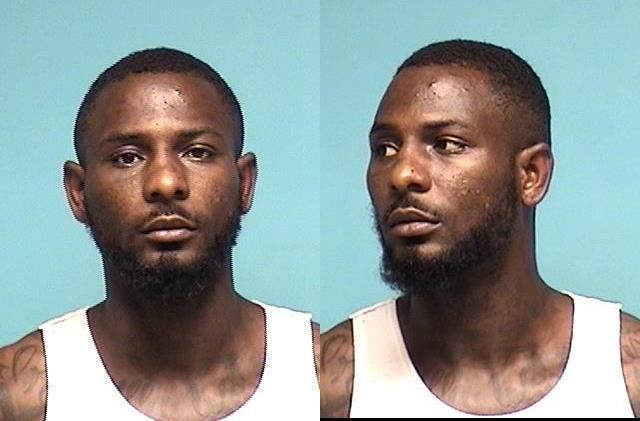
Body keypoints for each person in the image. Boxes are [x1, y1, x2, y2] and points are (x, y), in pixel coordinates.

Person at [319, 39, 640, 417]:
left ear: (531, 175)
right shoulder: (328, 386)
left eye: (446, 144)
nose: (403, 174)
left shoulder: (628, 379)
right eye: (385, 149)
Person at [0, 47, 319, 420]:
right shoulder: (17, 398)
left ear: (244, 184)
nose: (165, 183)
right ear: (78, 193)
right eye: (127, 157)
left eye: (197, 152)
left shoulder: (318, 371)